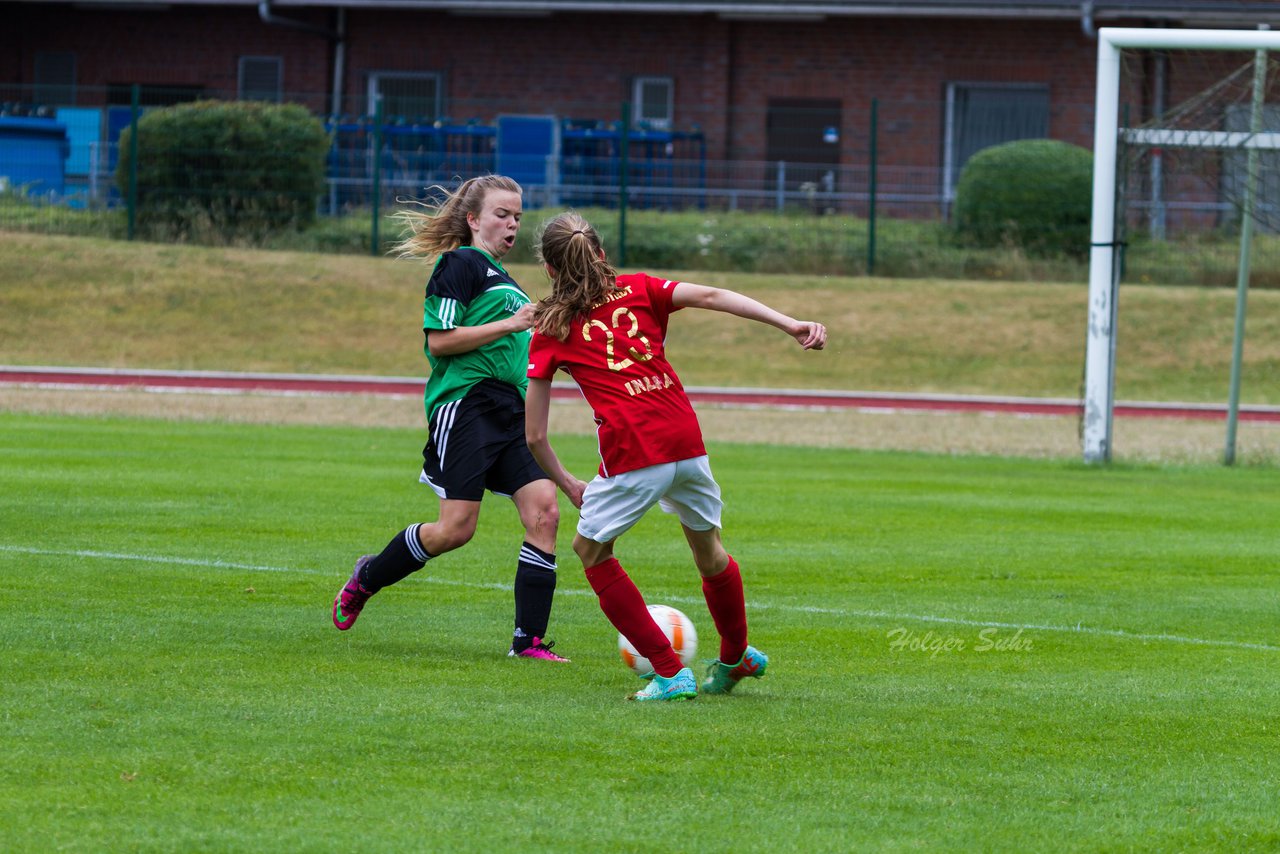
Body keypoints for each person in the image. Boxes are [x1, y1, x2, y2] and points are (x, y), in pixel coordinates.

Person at [524, 211, 826, 700]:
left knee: (590, 551)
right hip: (686, 439)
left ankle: (668, 671)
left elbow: (534, 435)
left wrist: (569, 483)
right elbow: (712, 296)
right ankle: (736, 657)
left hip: (635, 450)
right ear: (600, 254)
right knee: (709, 553)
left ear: (551, 270)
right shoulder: (641, 288)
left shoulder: (551, 328)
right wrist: (789, 324)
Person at [332, 175, 569, 663]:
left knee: (544, 510)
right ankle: (368, 576)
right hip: (466, 405)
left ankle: (528, 644)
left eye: (518, 217)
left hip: (510, 412)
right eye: (502, 214)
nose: (512, 225)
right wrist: (511, 323)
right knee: (456, 529)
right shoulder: (459, 264)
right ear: (474, 219)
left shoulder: (509, 283)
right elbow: (439, 341)